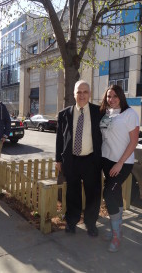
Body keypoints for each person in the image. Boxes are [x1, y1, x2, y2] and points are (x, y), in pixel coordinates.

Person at [56, 80, 102, 236]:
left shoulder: (99, 112)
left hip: (91, 160)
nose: (82, 95)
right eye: (79, 92)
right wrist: (58, 159)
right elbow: (60, 139)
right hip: (71, 160)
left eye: (85, 92)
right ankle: (71, 221)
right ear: (74, 94)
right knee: (72, 193)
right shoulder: (64, 114)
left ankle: (91, 224)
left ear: (89, 94)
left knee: (93, 194)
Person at [100, 84, 139, 252]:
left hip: (122, 163)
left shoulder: (130, 114)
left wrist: (120, 162)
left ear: (121, 97)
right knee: (114, 193)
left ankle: (116, 234)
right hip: (106, 160)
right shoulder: (105, 113)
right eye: (109, 96)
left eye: (115, 96)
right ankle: (118, 229)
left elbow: (134, 141)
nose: (112, 99)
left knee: (108, 193)